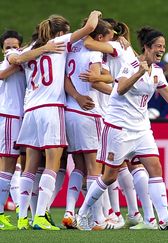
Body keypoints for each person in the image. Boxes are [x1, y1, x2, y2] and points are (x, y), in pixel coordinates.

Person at [76, 26, 168, 231]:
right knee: (109, 176)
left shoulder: (158, 71)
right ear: (146, 47)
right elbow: (120, 88)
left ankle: (164, 219)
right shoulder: (131, 65)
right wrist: (139, 73)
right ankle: (82, 213)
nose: (161, 50)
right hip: (119, 127)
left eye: (163, 46)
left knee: (155, 168)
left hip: (142, 128)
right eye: (158, 46)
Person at [7, 10, 101, 231]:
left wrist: (41, 50)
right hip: (51, 109)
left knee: (29, 165)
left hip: (30, 110)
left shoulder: (30, 49)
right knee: (52, 163)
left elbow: (14, 57)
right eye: (66, 32)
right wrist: (95, 13)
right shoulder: (58, 43)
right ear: (59, 32)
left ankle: (23, 218)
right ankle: (40, 216)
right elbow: (89, 28)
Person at [62, 19, 116, 230]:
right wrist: (117, 92)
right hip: (88, 112)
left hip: (70, 110)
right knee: (95, 167)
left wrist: (75, 95)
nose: (110, 43)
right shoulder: (95, 54)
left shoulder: (72, 48)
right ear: (100, 37)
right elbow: (94, 81)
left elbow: (65, 78)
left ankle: (69, 211)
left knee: (79, 165)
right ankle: (96, 219)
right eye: (109, 38)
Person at [0, 30, 26, 230]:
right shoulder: (4, 64)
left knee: (21, 166)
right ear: (3, 50)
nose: (11, 49)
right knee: (8, 166)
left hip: (25, 117)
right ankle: (1, 214)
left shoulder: (23, 63)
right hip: (9, 117)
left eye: (15, 46)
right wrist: (17, 63)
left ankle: (22, 210)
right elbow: (2, 74)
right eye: (7, 47)